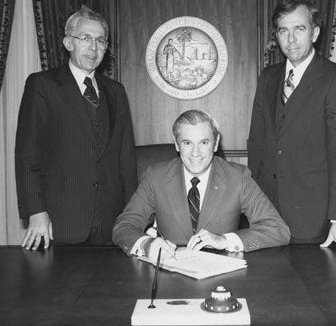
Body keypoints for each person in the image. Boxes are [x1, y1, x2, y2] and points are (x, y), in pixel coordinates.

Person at [247, 0, 336, 254]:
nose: (290, 40)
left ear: (314, 33)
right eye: (283, 31)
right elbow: (256, 143)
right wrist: (251, 202)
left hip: (313, 219)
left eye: (299, 29)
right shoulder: (268, 77)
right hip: (265, 214)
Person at [15, 7, 137, 250]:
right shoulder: (42, 85)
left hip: (111, 222)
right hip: (59, 222)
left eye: (101, 40)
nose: (94, 47)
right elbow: (27, 155)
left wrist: (135, 215)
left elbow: (126, 160)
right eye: (86, 39)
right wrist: (36, 212)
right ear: (68, 42)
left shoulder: (116, 91)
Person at [112, 109, 290, 260]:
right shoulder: (156, 176)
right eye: (187, 143)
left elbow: (277, 230)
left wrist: (224, 240)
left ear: (216, 143)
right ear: (176, 144)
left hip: (220, 276)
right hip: (169, 274)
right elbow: (123, 226)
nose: (195, 153)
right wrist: (147, 244)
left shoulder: (238, 177)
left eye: (204, 142)